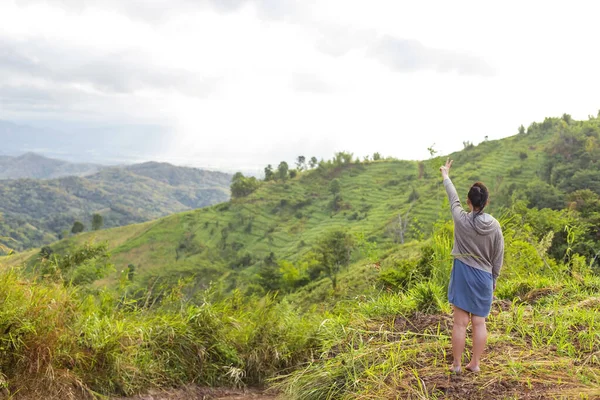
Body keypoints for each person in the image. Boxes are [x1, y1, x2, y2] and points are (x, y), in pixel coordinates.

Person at [439, 158, 504, 374]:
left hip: (462, 274)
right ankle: (475, 364)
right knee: (479, 322)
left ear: (469, 202)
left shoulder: (461, 219)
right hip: (484, 277)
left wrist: (446, 175)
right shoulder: (494, 226)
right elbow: (498, 256)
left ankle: (457, 365)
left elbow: (452, 198)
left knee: (459, 323)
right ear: (486, 202)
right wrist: (494, 279)